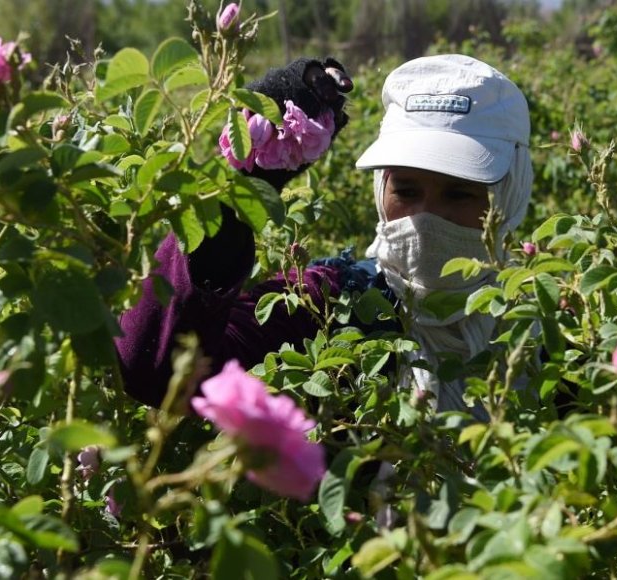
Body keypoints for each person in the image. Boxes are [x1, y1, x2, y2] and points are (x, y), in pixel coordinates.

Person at [116, 54, 533, 421]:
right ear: (381, 189)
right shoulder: (331, 306)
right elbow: (159, 371)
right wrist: (237, 195)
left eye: (460, 193)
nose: (425, 217)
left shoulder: (546, 327)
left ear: (511, 195)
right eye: (405, 191)